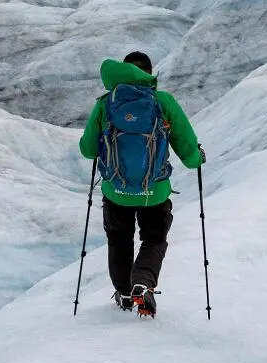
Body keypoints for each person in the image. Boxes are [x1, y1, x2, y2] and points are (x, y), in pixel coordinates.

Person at [80, 51, 204, 317]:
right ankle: (143, 284)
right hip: (155, 192)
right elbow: (188, 148)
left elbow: (87, 150)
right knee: (154, 239)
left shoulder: (105, 104)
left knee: (119, 240)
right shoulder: (162, 101)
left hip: (116, 192)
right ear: (149, 73)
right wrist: (197, 158)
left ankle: (124, 294)